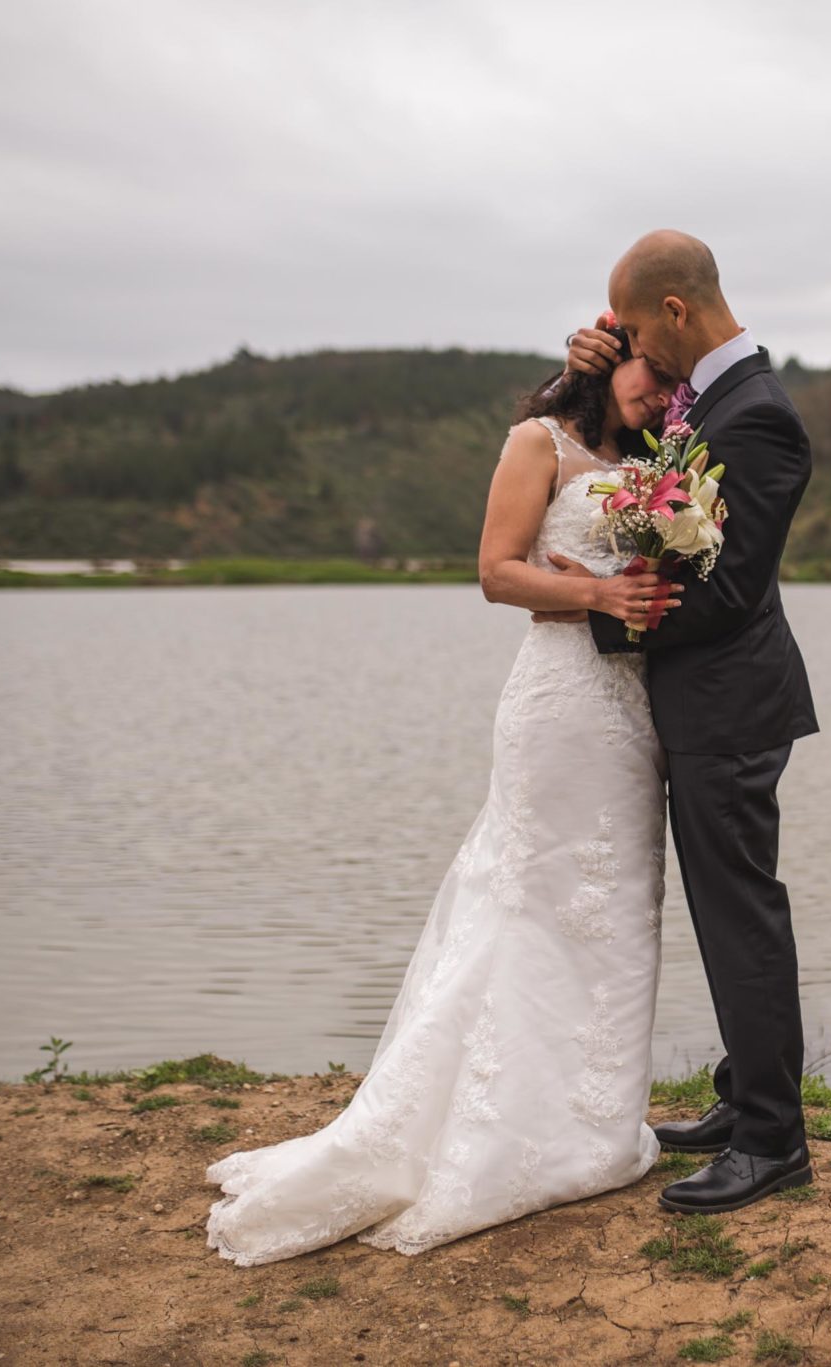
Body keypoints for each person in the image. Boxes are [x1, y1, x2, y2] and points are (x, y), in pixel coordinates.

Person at [201, 327, 682, 1266]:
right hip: (559, 709)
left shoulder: (656, 463)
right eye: (652, 375)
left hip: (633, 715)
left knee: (617, 908)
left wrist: (642, 590)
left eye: (674, 384)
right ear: (606, 357)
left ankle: (592, 1120)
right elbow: (497, 571)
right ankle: (487, 1131)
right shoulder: (538, 441)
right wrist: (594, 600)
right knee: (535, 904)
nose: (663, 394)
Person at [559, 228, 821, 1214]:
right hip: (710, 702)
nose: (631, 347)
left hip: (732, 704)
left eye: (635, 328)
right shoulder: (698, 400)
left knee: (740, 911)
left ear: (673, 311)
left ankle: (773, 1141)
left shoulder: (755, 415)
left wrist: (607, 613)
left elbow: (729, 590)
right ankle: (740, 1098)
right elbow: (656, 483)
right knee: (725, 912)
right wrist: (595, 365)